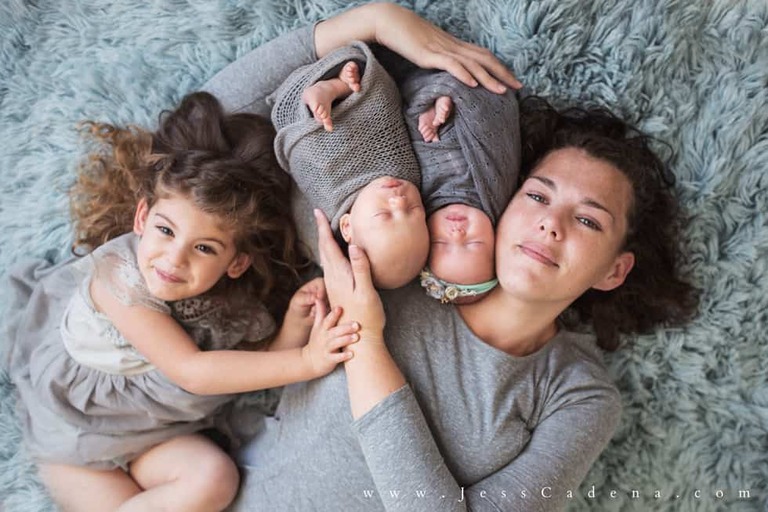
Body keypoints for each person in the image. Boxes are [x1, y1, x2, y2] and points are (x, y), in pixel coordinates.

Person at [201, 3, 697, 511]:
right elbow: (206, 127)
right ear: (505, 201)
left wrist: (365, 340)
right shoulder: (394, 251)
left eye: (588, 221)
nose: (551, 224)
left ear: (614, 270)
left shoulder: (578, 396)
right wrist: (374, 22)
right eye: (537, 196)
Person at [3, 92, 361, 512]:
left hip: (155, 432)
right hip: (71, 427)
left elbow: (252, 369)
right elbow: (192, 371)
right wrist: (307, 361)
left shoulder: (229, 304)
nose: (174, 260)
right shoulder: (117, 276)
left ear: (236, 263)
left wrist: (295, 329)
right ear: (142, 218)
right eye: (166, 231)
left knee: (214, 479)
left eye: (205, 248)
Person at [270, 41, 428, 289]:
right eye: (414, 209)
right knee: (381, 97)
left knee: (317, 126)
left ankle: (332, 88)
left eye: (384, 214)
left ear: (347, 226)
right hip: (368, 106)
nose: (399, 201)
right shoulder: (410, 176)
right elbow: (399, 125)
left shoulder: (331, 196)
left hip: (322, 120)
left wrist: (325, 103)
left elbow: (303, 162)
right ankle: (343, 86)